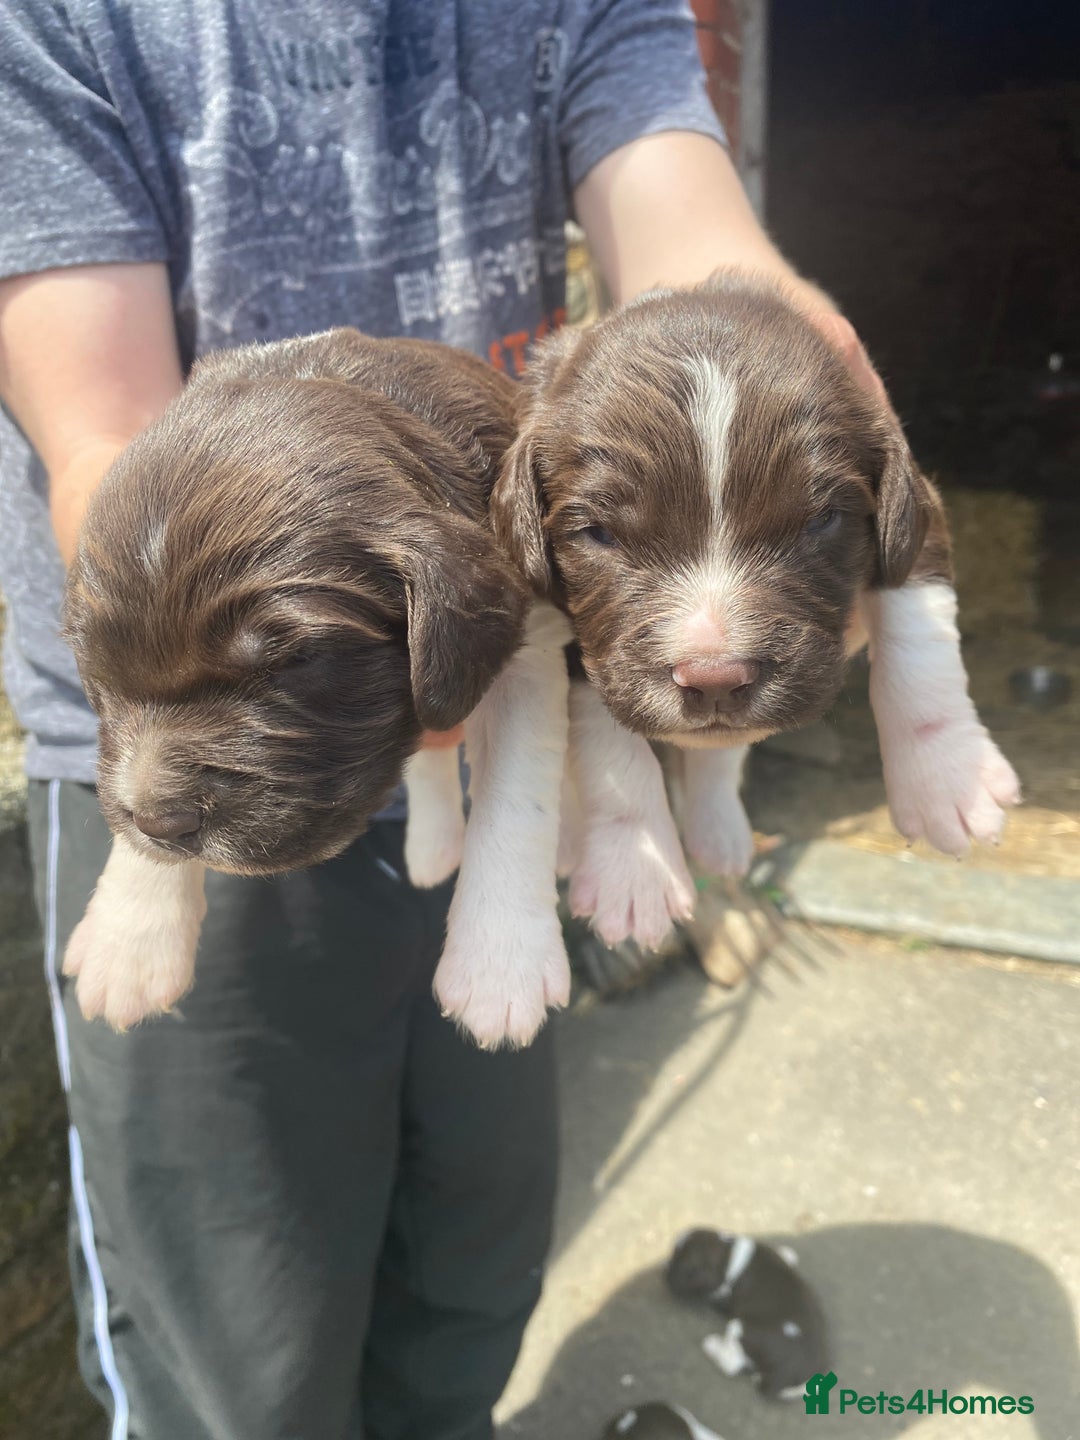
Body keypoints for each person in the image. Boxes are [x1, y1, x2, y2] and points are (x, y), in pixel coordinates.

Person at [0, 3, 884, 1437]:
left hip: (482, 673)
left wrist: (781, 380)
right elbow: (107, 444)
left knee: (470, 1267)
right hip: (202, 718)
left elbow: (687, 243)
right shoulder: (60, 20)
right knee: (242, 1348)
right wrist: (154, 839)